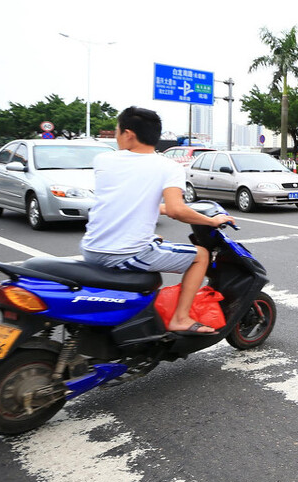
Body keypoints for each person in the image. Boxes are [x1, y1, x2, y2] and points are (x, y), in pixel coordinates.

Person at [81, 107, 235, 334]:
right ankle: (180, 319)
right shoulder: (168, 166)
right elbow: (177, 210)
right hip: (122, 254)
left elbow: (130, 201)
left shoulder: (103, 160)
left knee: (157, 238)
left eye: (117, 131)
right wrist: (211, 221)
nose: (116, 136)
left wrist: (160, 210)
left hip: (90, 249)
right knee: (200, 256)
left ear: (128, 134)